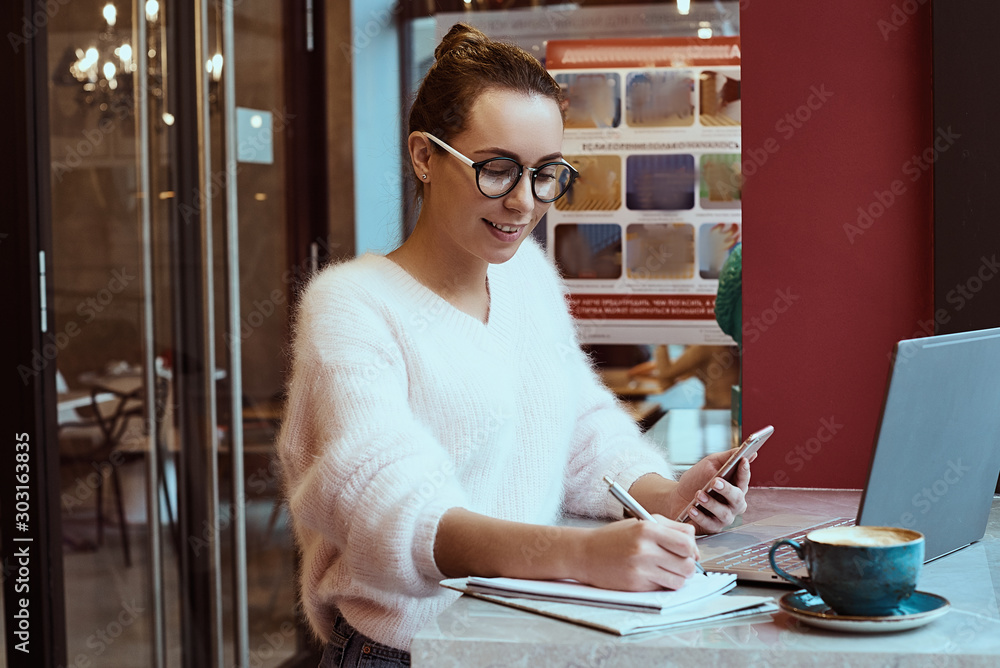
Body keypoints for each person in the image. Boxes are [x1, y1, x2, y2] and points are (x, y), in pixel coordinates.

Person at [277, 23, 753, 667]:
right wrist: (583, 556)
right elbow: (391, 511)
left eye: (545, 173)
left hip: (523, 635)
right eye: (498, 170)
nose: (525, 202)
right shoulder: (351, 305)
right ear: (424, 155)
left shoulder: (525, 275)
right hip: (409, 651)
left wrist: (663, 496)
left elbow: (580, 430)